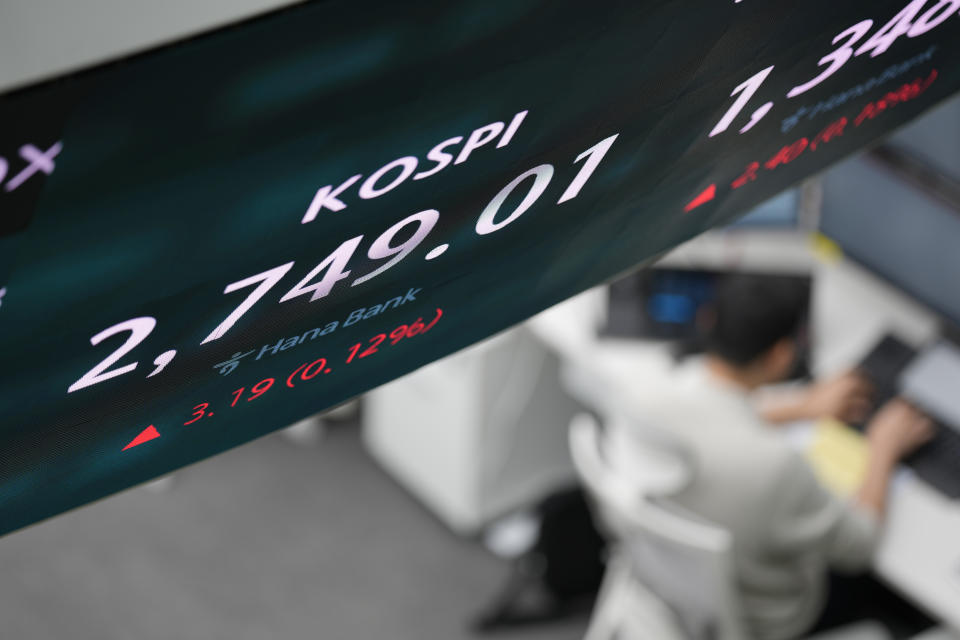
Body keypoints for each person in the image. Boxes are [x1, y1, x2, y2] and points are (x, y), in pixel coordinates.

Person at [611, 273, 934, 640]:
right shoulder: (776, 465)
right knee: (907, 597)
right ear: (781, 354)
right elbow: (858, 547)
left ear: (708, 320)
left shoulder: (645, 399)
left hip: (671, 599)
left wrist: (802, 407)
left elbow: (715, 415)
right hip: (772, 620)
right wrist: (882, 449)